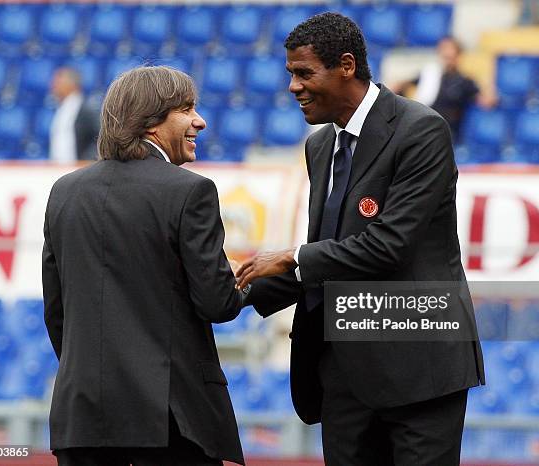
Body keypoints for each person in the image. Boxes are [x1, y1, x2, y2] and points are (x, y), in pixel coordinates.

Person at [235, 13, 485, 466]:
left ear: (347, 65)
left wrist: (290, 257)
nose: (293, 86)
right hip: (343, 371)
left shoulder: (421, 130)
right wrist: (234, 289)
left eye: (304, 73)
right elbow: (329, 252)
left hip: (419, 364)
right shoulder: (319, 147)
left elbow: (388, 246)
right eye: (291, 73)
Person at [43, 66, 245, 466]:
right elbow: (218, 303)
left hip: (80, 421)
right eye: (187, 109)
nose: (199, 121)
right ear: (151, 122)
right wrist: (266, 281)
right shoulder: (191, 191)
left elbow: (56, 314)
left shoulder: (64, 192)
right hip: (169, 423)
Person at [392, 37, 496, 143]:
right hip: (424, 127)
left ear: (458, 55)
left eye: (451, 55)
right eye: (445, 54)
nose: (448, 59)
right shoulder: (430, 75)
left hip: (448, 132)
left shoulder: (465, 81)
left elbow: (486, 101)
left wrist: (488, 87)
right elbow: (401, 85)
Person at [49, 67, 100, 162]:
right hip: (58, 168)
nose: (53, 85)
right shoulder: (61, 108)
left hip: (78, 169)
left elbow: (99, 138)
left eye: (59, 82)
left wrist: (86, 161)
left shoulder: (86, 109)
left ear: (72, 84)